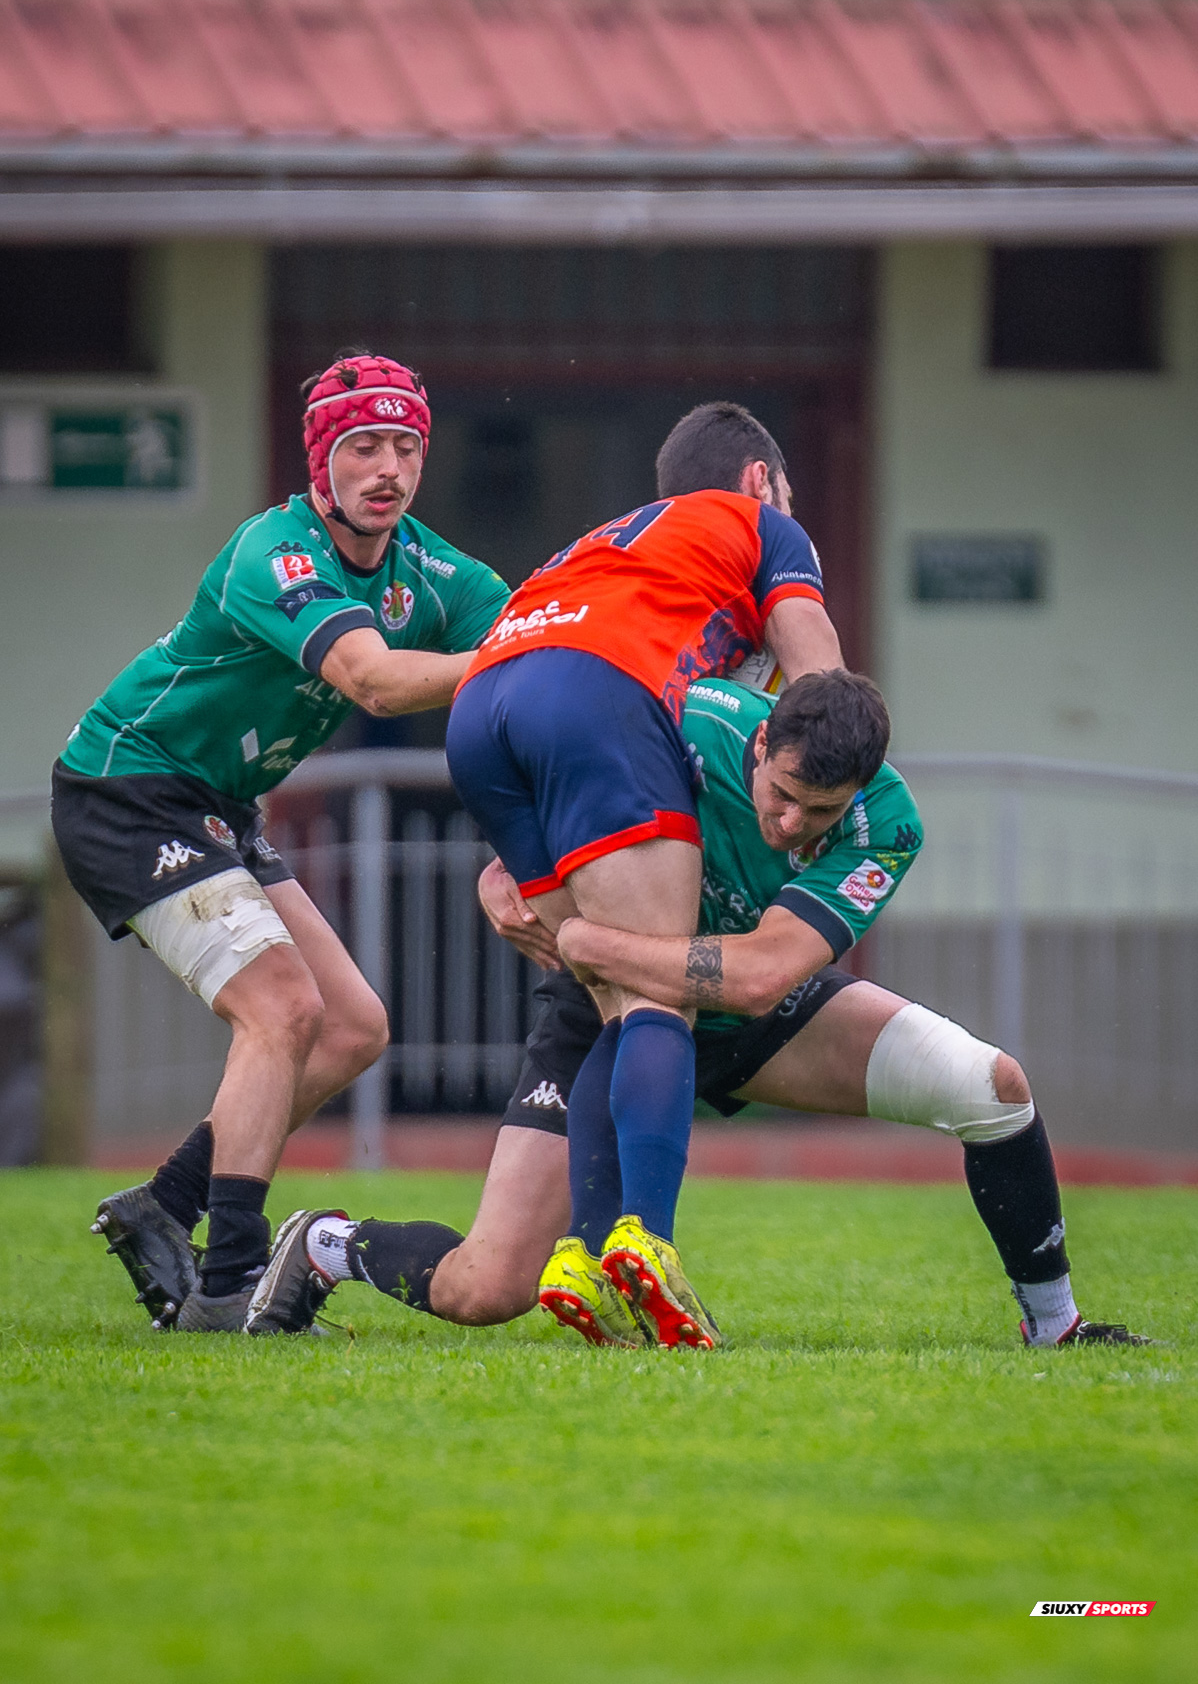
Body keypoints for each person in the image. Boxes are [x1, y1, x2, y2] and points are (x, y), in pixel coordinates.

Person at [250, 672, 1148, 1349]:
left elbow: (761, 977)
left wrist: (596, 943)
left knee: (993, 1085)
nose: (791, 825)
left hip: (746, 1005)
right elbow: (550, 757)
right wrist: (511, 863)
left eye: (819, 813)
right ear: (759, 746)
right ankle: (328, 1244)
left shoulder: (890, 824)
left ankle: (1055, 1328)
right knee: (483, 1291)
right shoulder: (689, 717)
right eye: (782, 796)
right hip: (601, 1011)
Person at [54, 353, 509, 1332]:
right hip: (127, 786)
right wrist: (525, 653)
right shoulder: (277, 550)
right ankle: (228, 1288)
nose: (387, 467)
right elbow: (377, 682)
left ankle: (163, 1209)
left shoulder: (428, 567)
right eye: (363, 446)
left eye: (406, 445)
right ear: (321, 460)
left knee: (352, 1027)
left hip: (219, 805)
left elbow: (541, 624)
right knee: (281, 1009)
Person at [441, 403, 842, 1345]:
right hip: (597, 699)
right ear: (758, 480)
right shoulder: (763, 525)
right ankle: (645, 1243)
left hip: (481, 714)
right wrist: (836, 797)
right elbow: (819, 687)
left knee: (611, 987)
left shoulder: (608, 540)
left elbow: (541, 671)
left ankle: (582, 1256)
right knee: (661, 989)